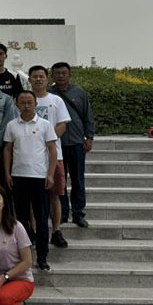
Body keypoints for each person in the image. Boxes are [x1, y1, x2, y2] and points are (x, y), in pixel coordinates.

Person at [3, 90, 58, 271]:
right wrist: (7, 173)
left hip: (39, 177)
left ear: (35, 104)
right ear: (17, 104)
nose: (26, 105)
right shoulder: (12, 125)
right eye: (22, 102)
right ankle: (23, 256)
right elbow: (8, 150)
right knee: (21, 218)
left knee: (42, 218)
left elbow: (52, 150)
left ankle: (42, 257)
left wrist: (50, 174)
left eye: (29, 102)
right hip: (18, 176)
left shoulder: (45, 125)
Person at [28, 65, 71, 249]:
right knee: (32, 197)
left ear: (47, 79)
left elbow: (62, 125)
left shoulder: (56, 100)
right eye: (34, 77)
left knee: (55, 195)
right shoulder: (24, 99)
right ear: (29, 79)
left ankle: (56, 230)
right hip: (30, 156)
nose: (38, 79)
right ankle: (34, 231)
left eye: (41, 76)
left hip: (54, 154)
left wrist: (47, 139)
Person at [50, 62, 95, 228]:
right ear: (52, 76)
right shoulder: (48, 94)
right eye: (57, 73)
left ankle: (78, 213)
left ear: (69, 75)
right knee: (59, 180)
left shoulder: (79, 93)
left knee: (77, 180)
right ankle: (62, 213)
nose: (61, 76)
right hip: (56, 145)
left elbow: (87, 116)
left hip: (76, 142)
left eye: (64, 73)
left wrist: (89, 137)